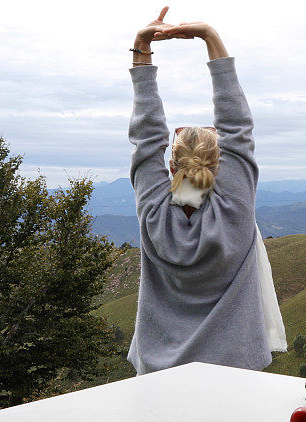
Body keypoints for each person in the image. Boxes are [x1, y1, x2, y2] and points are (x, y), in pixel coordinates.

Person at [126, 6, 286, 376]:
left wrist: (141, 47)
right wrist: (210, 37)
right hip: (233, 369)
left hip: (156, 371)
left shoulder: (153, 214)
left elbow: (145, 135)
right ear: (222, 167)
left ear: (170, 166)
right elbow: (237, 126)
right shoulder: (234, 209)